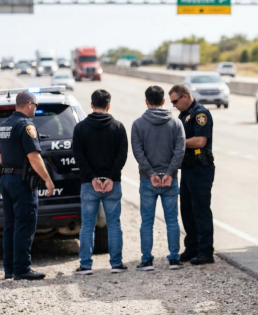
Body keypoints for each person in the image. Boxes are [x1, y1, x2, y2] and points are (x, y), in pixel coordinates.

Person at [0, 91, 55, 281]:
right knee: (25, 224)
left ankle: (10, 268)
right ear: (29, 104)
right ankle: (22, 269)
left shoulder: (3, 126)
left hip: (6, 179)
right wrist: (47, 179)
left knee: (10, 225)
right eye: (36, 106)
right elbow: (33, 156)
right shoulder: (26, 126)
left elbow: (0, 156)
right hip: (21, 183)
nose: (35, 110)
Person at [72, 89, 129, 275]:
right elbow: (122, 156)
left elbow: (78, 157)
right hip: (113, 184)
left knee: (87, 225)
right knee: (114, 224)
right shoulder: (118, 127)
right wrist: (110, 177)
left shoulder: (80, 128)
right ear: (109, 105)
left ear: (91, 105)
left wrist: (93, 177)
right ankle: (116, 264)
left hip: (89, 184)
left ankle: (86, 265)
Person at [130, 85, 186, 271]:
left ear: (147, 102)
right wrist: (169, 173)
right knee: (172, 220)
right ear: (163, 101)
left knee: (147, 221)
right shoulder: (176, 123)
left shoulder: (138, 124)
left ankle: (147, 260)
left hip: (148, 180)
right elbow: (180, 151)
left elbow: (138, 152)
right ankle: (174, 258)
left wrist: (152, 173)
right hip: (170, 180)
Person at [168, 84, 215, 266]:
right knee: (186, 210)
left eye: (175, 101)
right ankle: (192, 247)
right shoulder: (183, 115)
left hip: (201, 169)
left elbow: (200, 141)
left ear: (185, 96)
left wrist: (177, 142)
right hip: (187, 168)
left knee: (200, 210)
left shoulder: (200, 114)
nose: (173, 105)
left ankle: (206, 251)